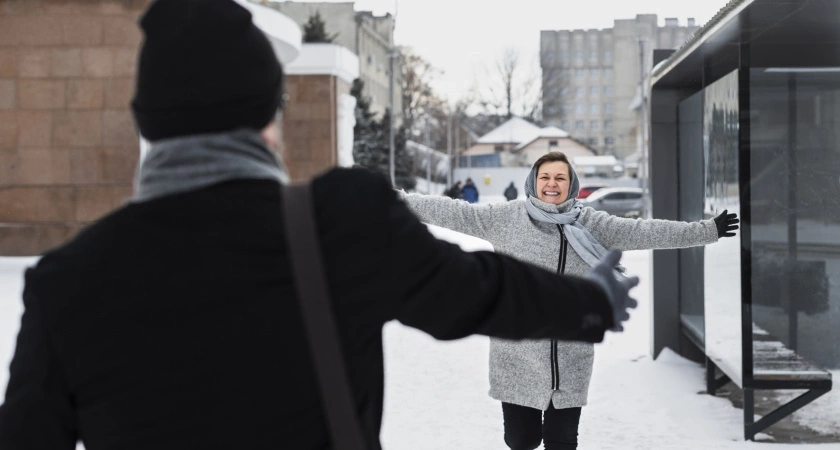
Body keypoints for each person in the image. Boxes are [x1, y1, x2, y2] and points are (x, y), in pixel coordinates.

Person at [0, 2, 641, 450]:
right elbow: (476, 291)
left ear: (148, 123)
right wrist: (590, 303)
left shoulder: (65, 281)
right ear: (267, 118)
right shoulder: (338, 222)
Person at [399, 151, 739, 450]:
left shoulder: (591, 224)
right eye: (545, 177)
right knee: (521, 440)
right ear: (533, 182)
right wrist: (392, 200)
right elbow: (451, 211)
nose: (552, 183)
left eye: (560, 177)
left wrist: (706, 231)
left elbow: (646, 232)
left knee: (562, 442)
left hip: (572, 351)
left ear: (571, 184)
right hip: (517, 351)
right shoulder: (505, 219)